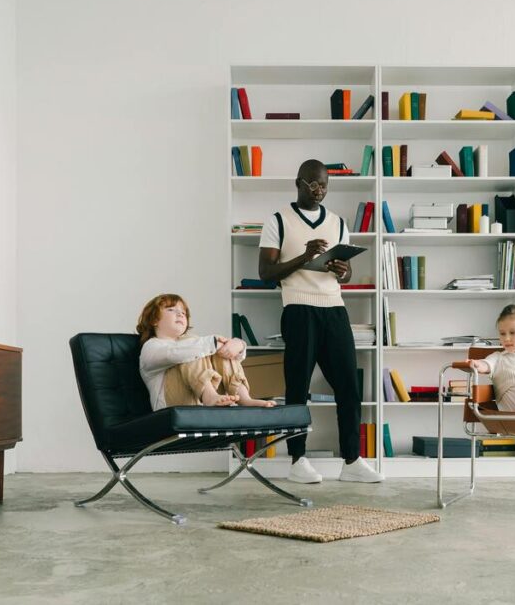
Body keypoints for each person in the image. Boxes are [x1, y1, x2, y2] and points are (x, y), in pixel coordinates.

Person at [258, 159, 383, 484]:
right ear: (299, 183)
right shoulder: (278, 221)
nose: (319, 190)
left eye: (325, 185)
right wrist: (303, 256)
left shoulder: (338, 222)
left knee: (348, 386)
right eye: (313, 184)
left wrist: (344, 270)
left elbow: (345, 269)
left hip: (335, 309)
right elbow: (266, 273)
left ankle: (352, 460)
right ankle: (297, 460)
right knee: (297, 387)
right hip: (299, 309)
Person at [137, 293, 275, 410]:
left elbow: (223, 352)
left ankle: (244, 398)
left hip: (201, 400)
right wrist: (217, 343)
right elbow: (175, 353)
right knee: (192, 345)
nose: (180, 313)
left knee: (214, 350)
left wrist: (238, 344)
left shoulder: (194, 343)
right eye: (171, 310)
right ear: (154, 320)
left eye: (183, 313)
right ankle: (209, 395)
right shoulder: (151, 347)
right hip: (171, 405)